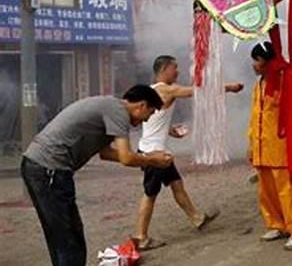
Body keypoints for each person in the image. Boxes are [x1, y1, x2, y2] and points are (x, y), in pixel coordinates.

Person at [21, 86, 173, 266]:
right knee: (69, 238)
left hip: (41, 167)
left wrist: (148, 158)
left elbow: (106, 153)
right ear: (141, 105)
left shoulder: (110, 108)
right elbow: (126, 157)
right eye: (149, 113)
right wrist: (152, 159)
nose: (146, 120)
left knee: (63, 235)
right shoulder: (119, 112)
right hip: (49, 168)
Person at [132, 56, 244, 250]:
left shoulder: (153, 91)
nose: (177, 72)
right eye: (174, 68)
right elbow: (199, 92)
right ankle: (140, 236)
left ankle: (196, 217)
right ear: (165, 69)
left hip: (158, 150)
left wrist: (170, 130)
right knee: (150, 194)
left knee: (176, 184)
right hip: (153, 153)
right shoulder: (166, 89)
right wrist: (229, 87)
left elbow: (150, 120)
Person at [248, 41, 292, 250]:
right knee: (266, 191)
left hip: (281, 147)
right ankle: (276, 224)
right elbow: (255, 117)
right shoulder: (259, 84)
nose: (253, 65)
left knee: (288, 191)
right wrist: (251, 144)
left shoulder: (286, 82)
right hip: (261, 146)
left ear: (267, 62)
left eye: (256, 60)